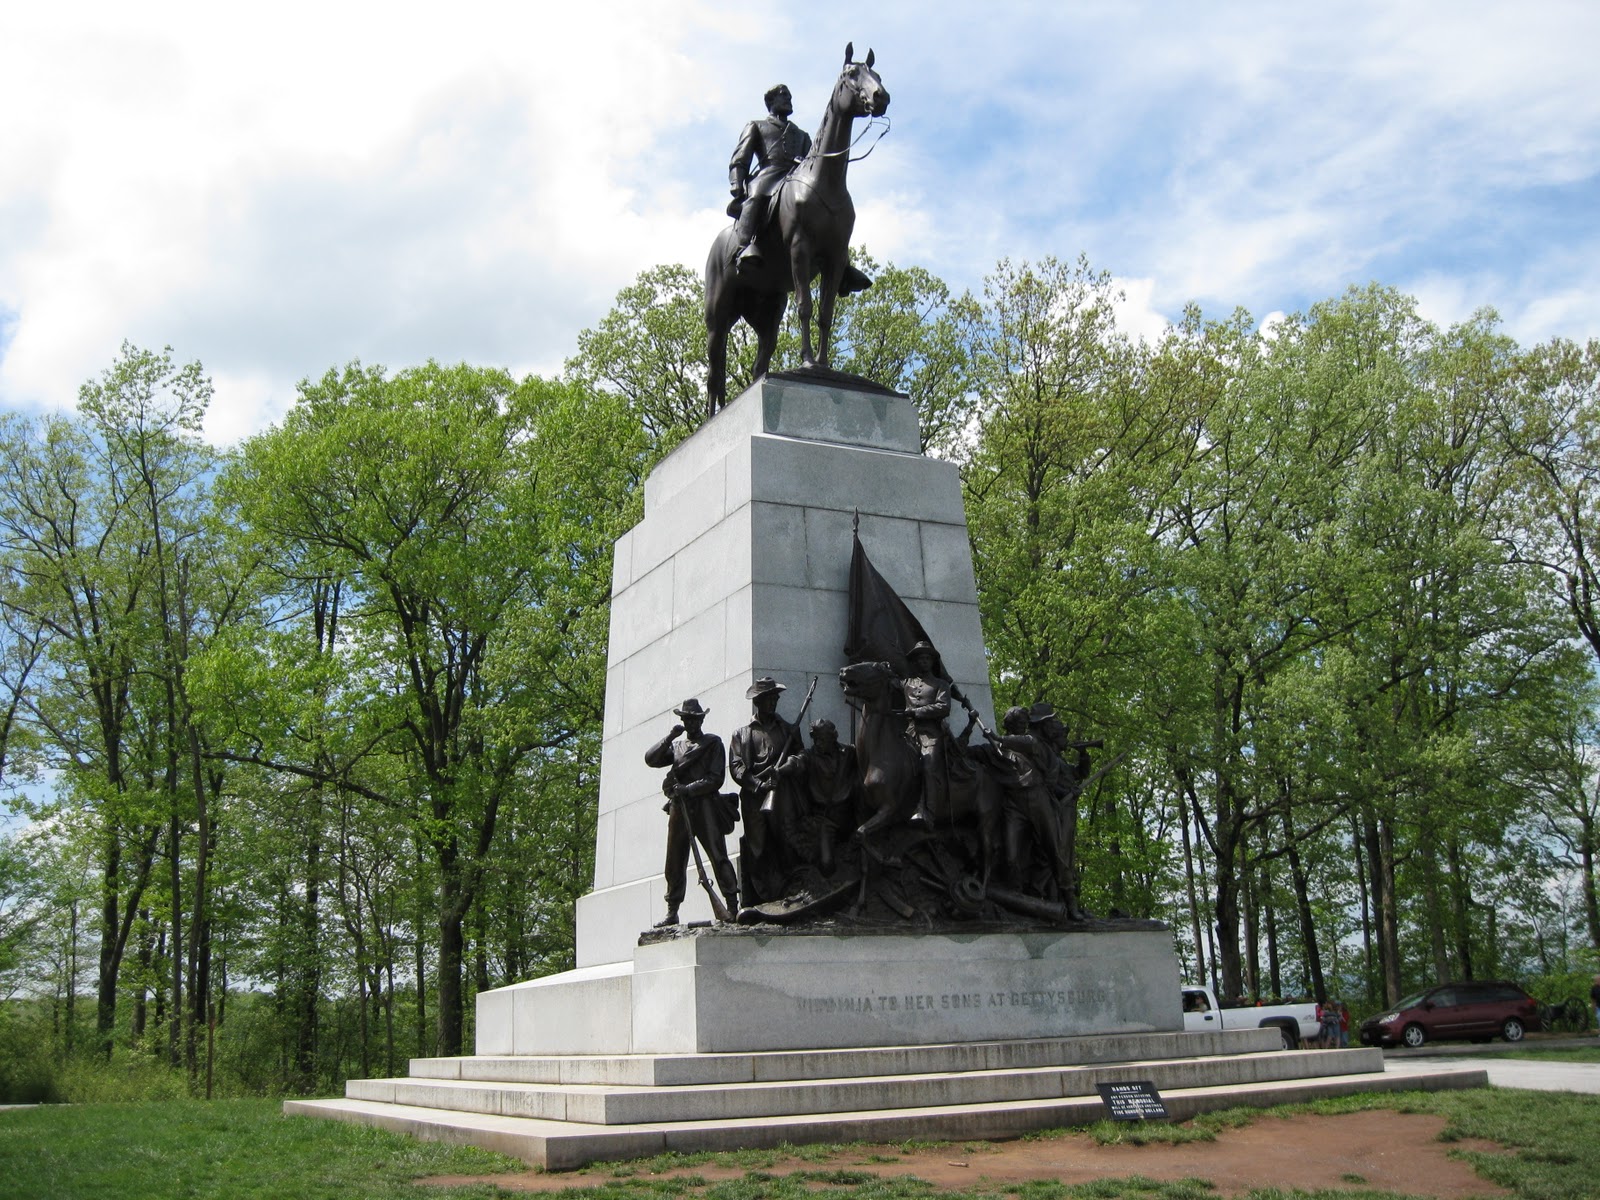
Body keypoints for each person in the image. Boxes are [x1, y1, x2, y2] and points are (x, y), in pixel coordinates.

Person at [643, 698, 737, 926]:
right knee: (674, 861)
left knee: (718, 856)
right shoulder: (676, 747)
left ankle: (732, 906)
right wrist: (670, 737)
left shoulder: (713, 743)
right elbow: (650, 759)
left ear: (701, 720)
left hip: (705, 806)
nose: (690, 723)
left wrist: (688, 789)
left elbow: (716, 778)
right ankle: (672, 911)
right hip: (679, 808)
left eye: (694, 719)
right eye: (686, 719)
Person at [729, 677, 802, 903]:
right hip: (754, 797)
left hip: (782, 792)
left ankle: (793, 890)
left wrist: (787, 767)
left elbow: (801, 757)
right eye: (769, 698)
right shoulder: (741, 734)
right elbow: (736, 767)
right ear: (757, 702)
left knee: (787, 840)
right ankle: (764, 899)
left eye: (775, 698)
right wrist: (759, 785)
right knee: (757, 847)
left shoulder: (788, 729)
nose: (773, 702)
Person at [728, 85, 811, 272]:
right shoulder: (757, 126)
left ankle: (842, 263)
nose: (789, 99)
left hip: (797, 178)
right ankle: (743, 247)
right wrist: (737, 182)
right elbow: (740, 158)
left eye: (790, 96)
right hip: (770, 173)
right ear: (770, 101)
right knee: (756, 196)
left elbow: (813, 163)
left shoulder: (802, 135)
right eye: (783, 95)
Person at [776, 717, 858, 875]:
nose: (818, 743)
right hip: (826, 820)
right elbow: (795, 762)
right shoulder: (809, 756)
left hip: (849, 817)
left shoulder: (849, 752)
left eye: (822, 739)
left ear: (833, 737)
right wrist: (779, 771)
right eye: (816, 740)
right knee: (827, 866)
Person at [900, 641, 952, 824]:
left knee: (928, 766)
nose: (923, 661)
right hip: (908, 734)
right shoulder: (907, 683)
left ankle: (928, 813)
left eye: (927, 658)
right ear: (915, 661)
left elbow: (944, 707)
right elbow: (883, 682)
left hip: (931, 734)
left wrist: (917, 712)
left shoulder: (941, 684)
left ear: (932, 662)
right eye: (920, 658)